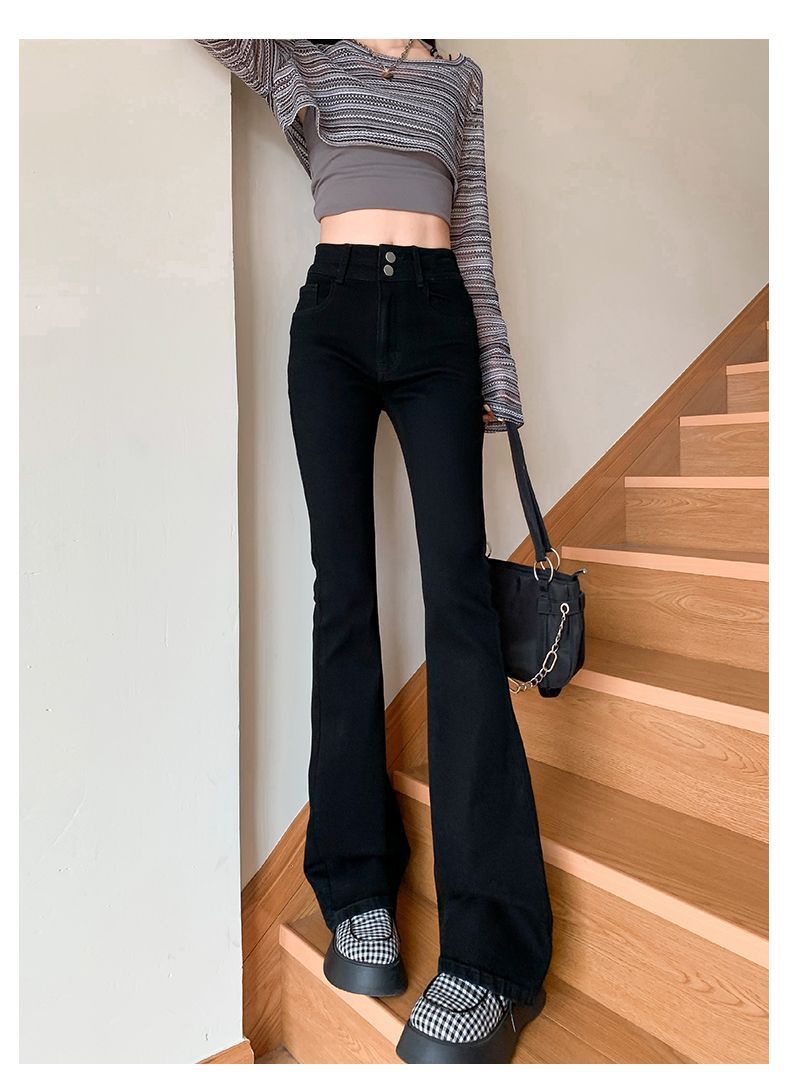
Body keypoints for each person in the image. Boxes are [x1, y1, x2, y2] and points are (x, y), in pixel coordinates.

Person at [195, 37, 553, 1064]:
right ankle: (357, 892)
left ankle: (491, 955)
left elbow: (472, 228)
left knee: (459, 605)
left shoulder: (458, 78)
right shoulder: (307, 60)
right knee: (341, 597)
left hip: (439, 319)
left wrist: (497, 368)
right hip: (334, 318)